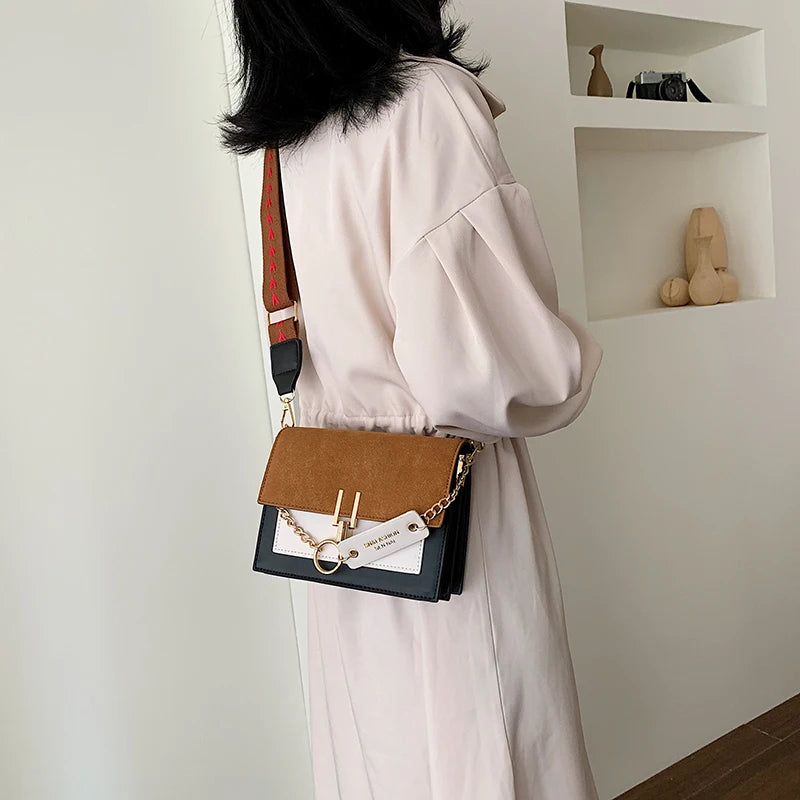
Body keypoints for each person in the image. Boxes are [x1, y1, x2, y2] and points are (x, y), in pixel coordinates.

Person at [219, 2, 602, 798]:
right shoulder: (427, 102)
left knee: (382, 760)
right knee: (488, 751)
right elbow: (500, 373)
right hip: (450, 521)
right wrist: (573, 359)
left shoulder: (286, 143)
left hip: (338, 535)